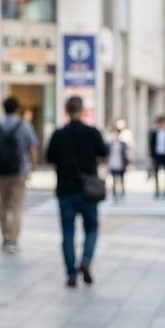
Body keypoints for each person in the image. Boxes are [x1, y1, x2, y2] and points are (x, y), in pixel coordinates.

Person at [45, 96, 108, 288]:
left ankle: (71, 273)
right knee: (91, 228)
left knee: (67, 233)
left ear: (66, 110)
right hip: (88, 190)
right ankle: (86, 259)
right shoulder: (92, 132)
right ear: (82, 110)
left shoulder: (59, 134)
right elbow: (104, 153)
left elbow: (49, 158)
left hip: (65, 189)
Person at [0, 96, 39, 254]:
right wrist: (33, 166)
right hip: (19, 171)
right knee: (16, 206)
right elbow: (33, 147)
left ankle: (5, 236)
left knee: (3, 204)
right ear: (17, 109)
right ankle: (13, 239)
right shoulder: (24, 126)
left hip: (1, 172)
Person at [107, 119, 132, 203]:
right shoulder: (110, 143)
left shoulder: (123, 143)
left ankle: (122, 194)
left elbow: (126, 154)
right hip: (113, 163)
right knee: (114, 180)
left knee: (121, 180)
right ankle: (114, 195)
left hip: (121, 163)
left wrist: (128, 163)